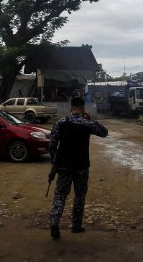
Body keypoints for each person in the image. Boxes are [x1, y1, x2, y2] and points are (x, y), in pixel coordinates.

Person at [48, 96, 108, 239]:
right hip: (81, 167)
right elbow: (104, 133)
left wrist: (54, 162)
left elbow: (52, 143)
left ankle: (54, 221)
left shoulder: (61, 122)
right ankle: (76, 225)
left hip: (63, 166)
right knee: (80, 196)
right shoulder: (87, 123)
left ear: (71, 108)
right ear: (83, 108)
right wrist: (91, 119)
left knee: (60, 195)